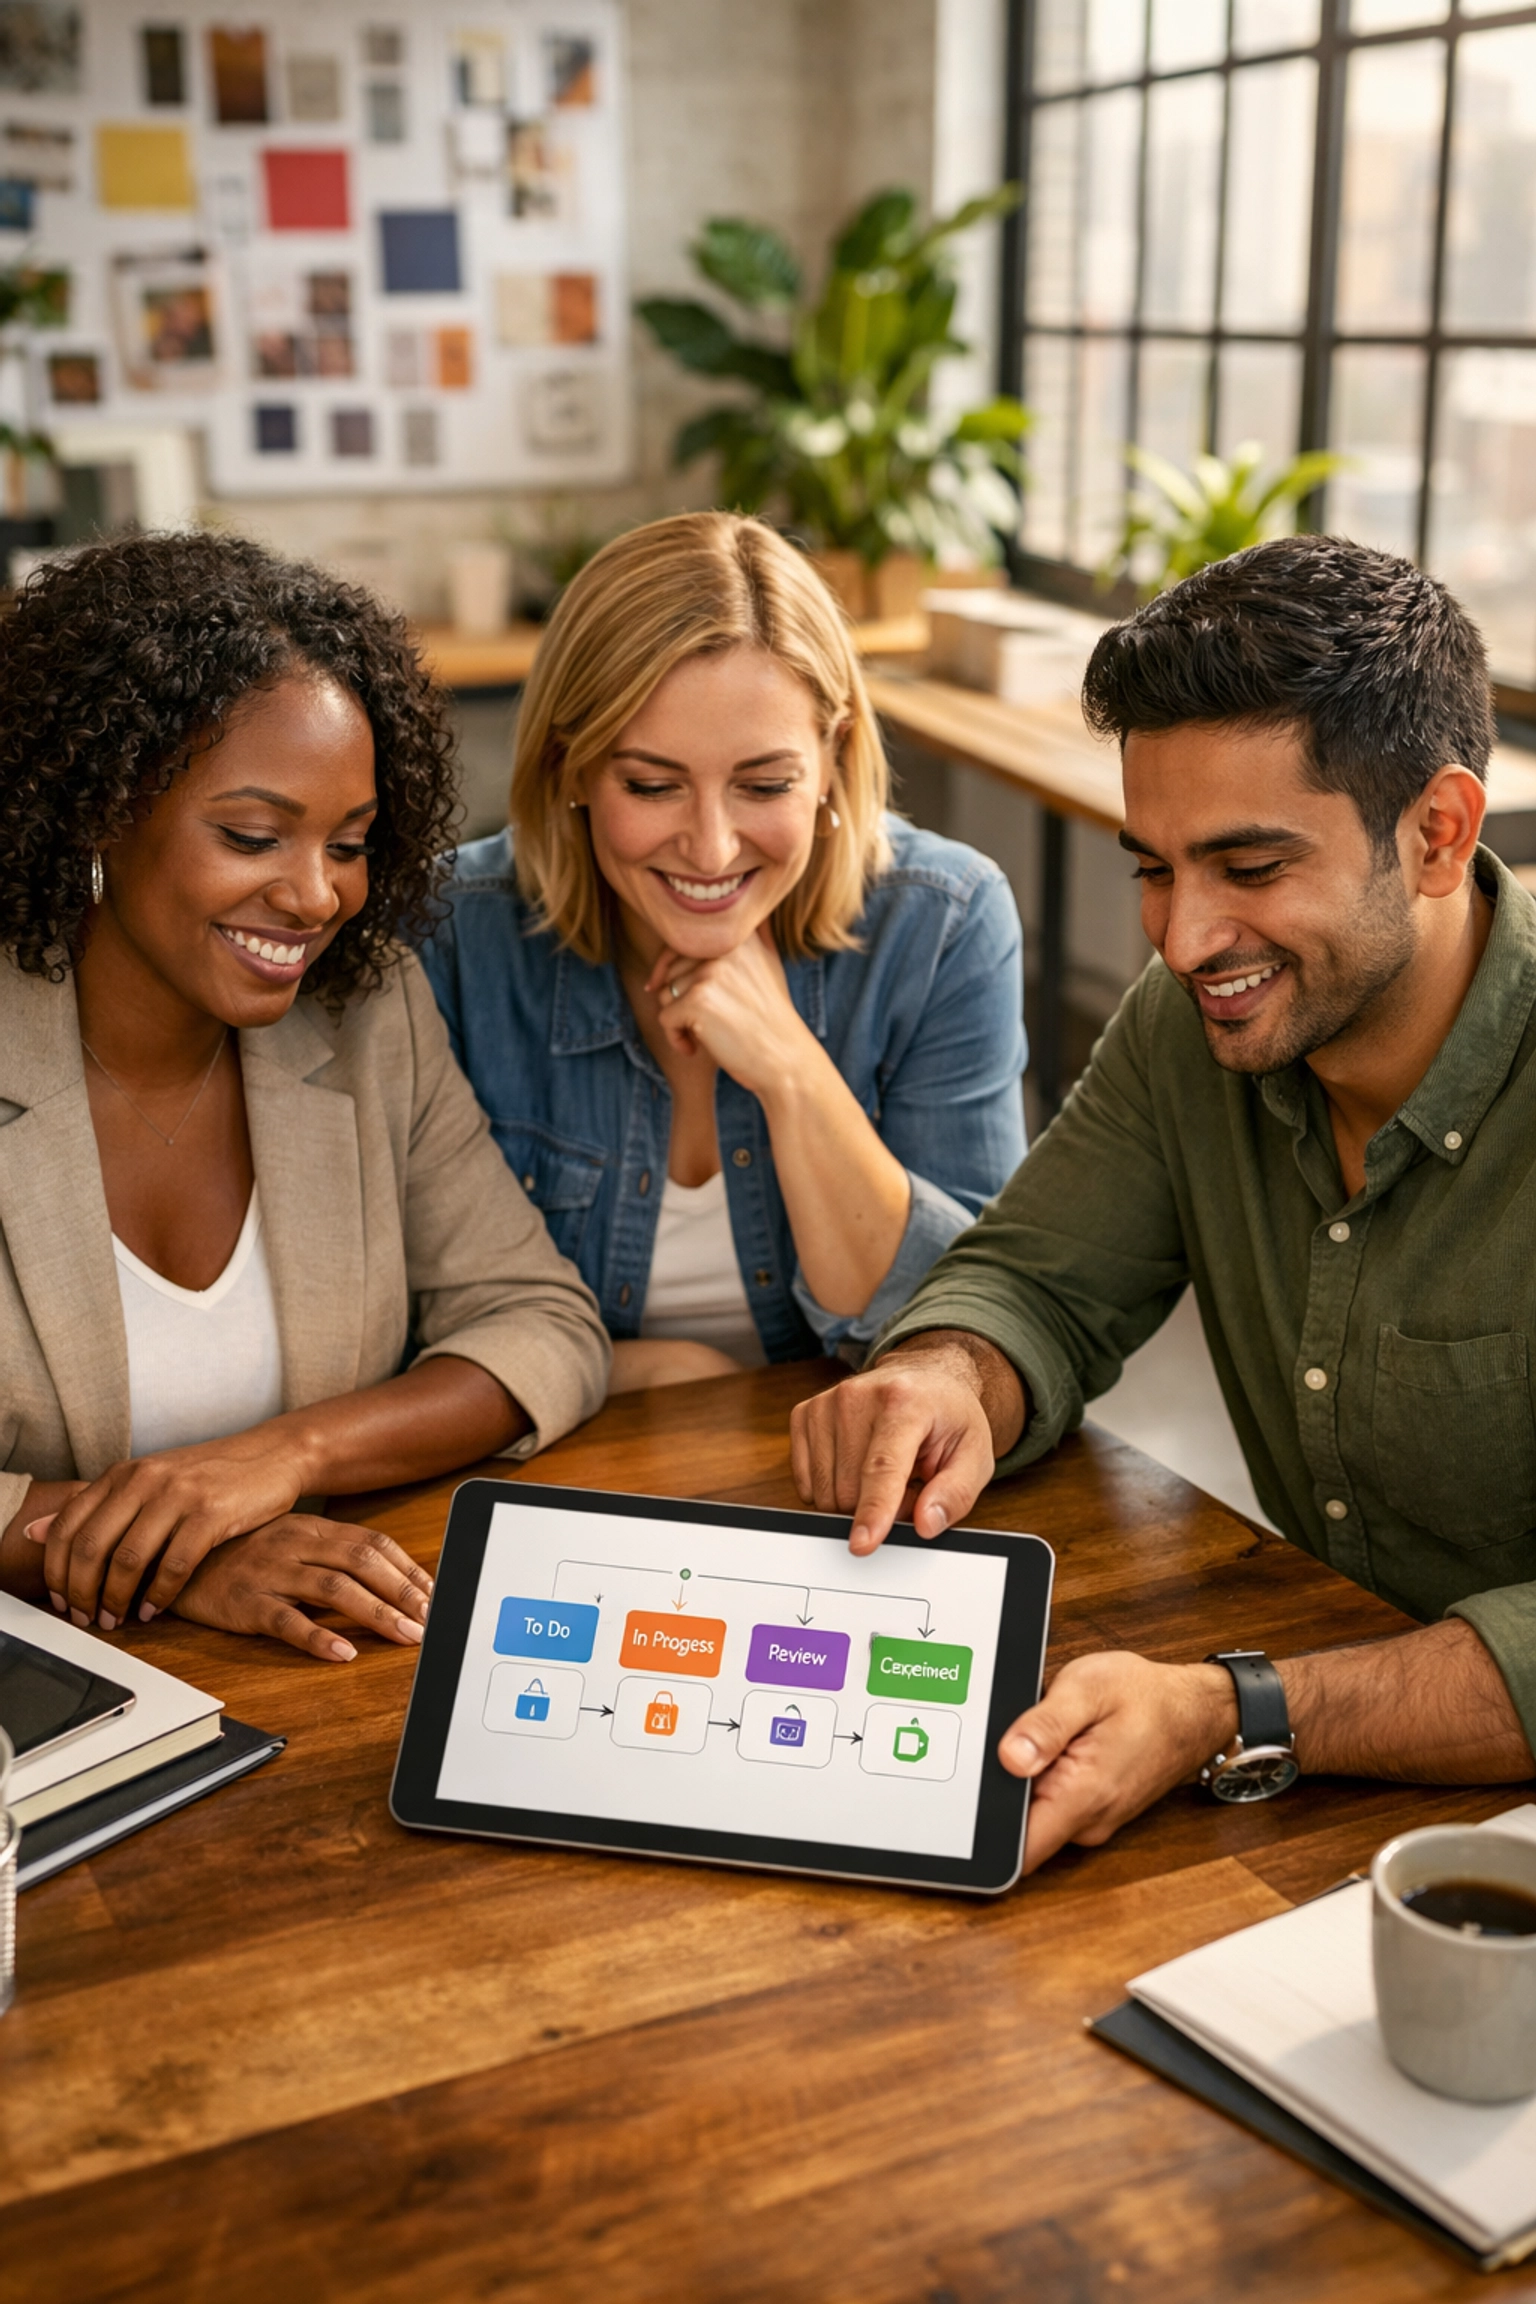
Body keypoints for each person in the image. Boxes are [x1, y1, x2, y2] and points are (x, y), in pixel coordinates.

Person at [791, 534, 1536, 1868]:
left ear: (1438, 833)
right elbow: (1034, 1281)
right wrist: (949, 1377)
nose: (1184, 940)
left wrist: (1231, 1711)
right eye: (1152, 867)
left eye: (1251, 869)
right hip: (1351, 1802)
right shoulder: (1195, 1019)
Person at [0, 533, 610, 1659]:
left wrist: (285, 1456)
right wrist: (191, 1554)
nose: (317, 896)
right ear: (99, 809)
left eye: (351, 844)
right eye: (252, 836)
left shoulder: (365, 1014)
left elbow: (542, 1324)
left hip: (313, 1662)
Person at [420, 512, 1027, 1391]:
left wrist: (791, 1072)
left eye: (764, 784)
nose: (710, 849)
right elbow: (407, 1323)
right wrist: (660, 1375)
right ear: (571, 767)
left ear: (833, 757)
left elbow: (968, 1331)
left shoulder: (944, 922)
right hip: (560, 1458)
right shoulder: (450, 933)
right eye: (652, 785)